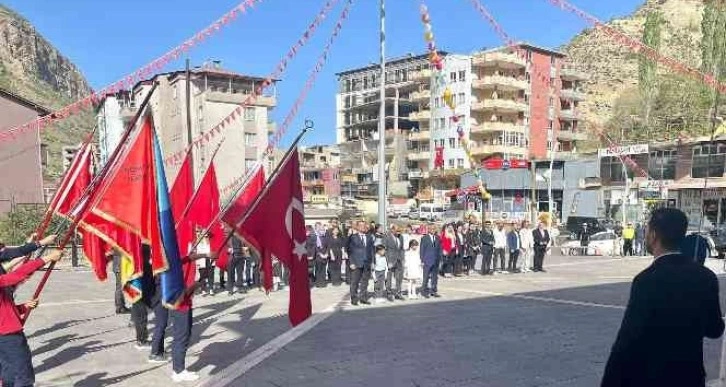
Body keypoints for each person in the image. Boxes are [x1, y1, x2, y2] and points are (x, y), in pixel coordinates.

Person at [601, 208, 724, 387]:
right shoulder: (706, 277)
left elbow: (628, 340)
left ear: (654, 234)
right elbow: (715, 330)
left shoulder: (646, 280)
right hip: (690, 377)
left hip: (652, 378)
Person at [0, 249, 63, 387]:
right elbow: (18, 274)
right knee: (24, 375)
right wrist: (47, 258)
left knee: (8, 374)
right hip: (8, 336)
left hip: (4, 335)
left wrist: (23, 307)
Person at [149, 245, 203, 382]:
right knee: (181, 337)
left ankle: (177, 368)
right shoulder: (169, 276)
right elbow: (179, 294)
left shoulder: (165, 266)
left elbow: (183, 259)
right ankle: (178, 371)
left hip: (175, 302)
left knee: (179, 335)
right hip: (181, 306)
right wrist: (196, 284)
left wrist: (206, 255)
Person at [346, 221, 373, 305]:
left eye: (364, 225)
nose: (363, 227)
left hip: (366, 262)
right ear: (357, 227)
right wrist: (351, 262)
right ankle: (354, 298)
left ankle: (363, 298)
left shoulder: (369, 237)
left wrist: (372, 262)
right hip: (356, 262)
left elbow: (371, 250)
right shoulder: (353, 237)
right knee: (355, 281)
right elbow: (349, 251)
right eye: (361, 226)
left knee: (365, 281)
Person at [383, 224, 405, 301]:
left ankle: (398, 293)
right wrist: (388, 261)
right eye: (396, 230)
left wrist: (403, 259)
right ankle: (389, 293)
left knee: (399, 278)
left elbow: (402, 249)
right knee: (389, 278)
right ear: (392, 230)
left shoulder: (400, 237)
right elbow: (384, 249)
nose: (398, 232)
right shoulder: (386, 237)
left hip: (399, 260)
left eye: (399, 230)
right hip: (391, 260)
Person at [420, 224, 442, 298]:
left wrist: (440, 259)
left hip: (436, 260)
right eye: (431, 229)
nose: (433, 230)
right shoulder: (424, 238)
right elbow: (422, 250)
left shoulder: (438, 238)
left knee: (435, 277)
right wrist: (422, 260)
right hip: (427, 260)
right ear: (428, 230)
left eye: (434, 229)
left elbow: (440, 249)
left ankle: (433, 290)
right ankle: (424, 291)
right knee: (426, 276)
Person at [194, 229, 213, 296]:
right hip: (201, 259)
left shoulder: (209, 240)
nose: (205, 234)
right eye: (202, 232)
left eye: (206, 232)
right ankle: (203, 290)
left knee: (210, 274)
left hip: (209, 259)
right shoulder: (197, 240)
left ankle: (211, 289)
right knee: (202, 276)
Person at [313, 224, 330, 288]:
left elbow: (328, 246)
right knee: (318, 270)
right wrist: (320, 254)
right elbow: (315, 247)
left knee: (323, 270)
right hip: (318, 256)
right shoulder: (316, 237)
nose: (322, 231)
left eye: (323, 230)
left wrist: (326, 254)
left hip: (325, 256)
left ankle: (323, 283)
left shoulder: (325, 237)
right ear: (319, 230)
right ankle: (318, 283)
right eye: (321, 230)